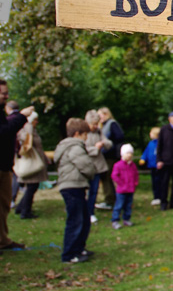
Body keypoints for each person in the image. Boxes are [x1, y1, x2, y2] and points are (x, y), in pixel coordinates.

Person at [54, 118, 96, 263]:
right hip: (72, 187)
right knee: (76, 220)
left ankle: (79, 248)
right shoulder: (74, 147)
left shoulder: (69, 146)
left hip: (75, 186)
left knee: (84, 219)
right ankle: (69, 254)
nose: (87, 138)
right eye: (85, 135)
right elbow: (86, 165)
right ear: (78, 134)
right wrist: (92, 171)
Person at [0, 79, 34, 251]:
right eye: (3, 93)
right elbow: (4, 132)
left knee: (4, 204)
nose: (6, 96)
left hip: (4, 165)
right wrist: (22, 116)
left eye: (6, 93)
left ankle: (2, 240)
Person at [15, 112, 51, 219]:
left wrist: (45, 158)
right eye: (35, 120)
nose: (37, 122)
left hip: (37, 162)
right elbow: (26, 144)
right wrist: (28, 125)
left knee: (32, 187)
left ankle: (21, 207)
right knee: (31, 187)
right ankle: (25, 211)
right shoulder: (25, 130)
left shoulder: (33, 131)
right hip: (31, 164)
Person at [84, 110, 113, 224]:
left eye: (97, 124)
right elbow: (83, 149)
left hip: (98, 167)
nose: (95, 126)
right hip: (86, 166)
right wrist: (95, 148)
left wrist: (103, 144)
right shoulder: (82, 133)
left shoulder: (99, 132)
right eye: (93, 124)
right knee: (84, 191)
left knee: (94, 191)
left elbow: (108, 143)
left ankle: (91, 212)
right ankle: (84, 212)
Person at [96, 107, 124, 210]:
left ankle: (110, 200)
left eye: (101, 115)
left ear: (106, 114)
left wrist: (108, 143)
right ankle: (111, 199)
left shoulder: (112, 124)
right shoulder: (103, 126)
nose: (99, 118)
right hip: (105, 155)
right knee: (106, 177)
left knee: (108, 176)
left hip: (111, 156)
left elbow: (119, 137)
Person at [110, 144, 139, 230]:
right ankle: (115, 220)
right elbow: (114, 176)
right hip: (121, 190)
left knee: (128, 205)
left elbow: (136, 175)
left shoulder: (133, 165)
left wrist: (135, 183)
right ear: (122, 154)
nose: (129, 155)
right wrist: (121, 183)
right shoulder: (118, 165)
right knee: (119, 205)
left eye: (131, 153)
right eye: (127, 153)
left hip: (130, 189)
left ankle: (126, 219)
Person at [5, 101, 22, 209]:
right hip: (18, 152)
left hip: (11, 152)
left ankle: (11, 198)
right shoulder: (21, 119)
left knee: (14, 175)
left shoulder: (10, 120)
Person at [140, 127, 161, 206]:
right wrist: (143, 158)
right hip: (152, 166)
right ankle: (156, 197)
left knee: (160, 182)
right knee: (154, 182)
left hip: (159, 166)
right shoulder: (150, 143)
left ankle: (161, 197)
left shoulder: (160, 143)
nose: (150, 134)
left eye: (151, 133)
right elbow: (146, 152)